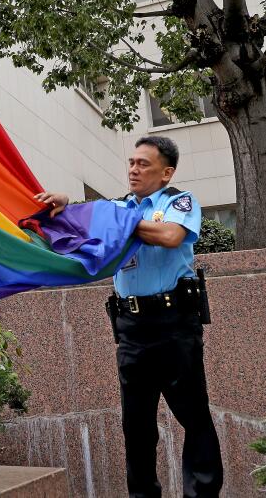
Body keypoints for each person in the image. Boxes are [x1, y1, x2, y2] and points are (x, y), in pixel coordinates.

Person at [35, 135, 222, 498]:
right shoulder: (120, 209)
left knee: (193, 417)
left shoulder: (177, 201)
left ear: (166, 172)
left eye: (144, 164)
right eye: (132, 162)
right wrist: (67, 204)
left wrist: (117, 222)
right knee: (136, 427)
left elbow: (170, 236)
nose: (134, 170)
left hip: (174, 325)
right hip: (131, 329)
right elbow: (85, 223)